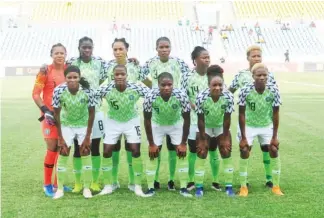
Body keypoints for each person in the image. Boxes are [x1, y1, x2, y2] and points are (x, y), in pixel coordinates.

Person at [140, 37, 190, 190]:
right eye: (161, 47)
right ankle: (154, 180)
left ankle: (171, 180)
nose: (164, 49)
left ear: (170, 48)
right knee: (156, 149)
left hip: (174, 109)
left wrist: (179, 90)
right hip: (158, 111)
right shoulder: (150, 63)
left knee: (174, 148)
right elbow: (141, 75)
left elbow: (188, 75)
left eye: (166, 46)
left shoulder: (178, 62)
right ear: (156, 48)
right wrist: (153, 88)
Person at [95, 65, 149, 197]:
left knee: (135, 150)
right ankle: (109, 185)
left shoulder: (135, 87)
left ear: (126, 75)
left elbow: (151, 94)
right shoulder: (107, 89)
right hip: (113, 121)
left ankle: (136, 185)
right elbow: (93, 96)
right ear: (113, 76)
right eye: (117, 74)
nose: (119, 77)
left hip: (131, 121)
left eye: (122, 74)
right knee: (107, 151)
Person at [229, 45, 277, 188]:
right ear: (247, 58)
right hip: (247, 121)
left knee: (267, 149)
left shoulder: (269, 75)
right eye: (253, 56)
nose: (256, 58)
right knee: (245, 149)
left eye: (259, 56)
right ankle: (245, 181)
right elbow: (230, 90)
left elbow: (274, 95)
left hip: (265, 120)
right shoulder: (241, 75)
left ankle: (269, 179)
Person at [65, 37, 109, 193]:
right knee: (78, 147)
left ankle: (94, 182)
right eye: (84, 47)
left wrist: (131, 59)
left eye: (89, 47)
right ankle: (78, 183)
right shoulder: (72, 62)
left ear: (93, 48)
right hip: (77, 112)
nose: (87, 50)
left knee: (95, 146)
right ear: (79, 47)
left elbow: (106, 75)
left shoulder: (99, 62)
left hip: (95, 110)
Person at [102, 38, 143, 192]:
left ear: (127, 49)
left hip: (131, 115)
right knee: (112, 148)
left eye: (121, 49)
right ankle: (112, 183)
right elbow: (99, 83)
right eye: (115, 49)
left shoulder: (135, 66)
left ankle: (134, 183)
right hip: (113, 115)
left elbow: (148, 82)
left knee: (133, 148)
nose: (118, 52)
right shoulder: (107, 67)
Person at [237, 63, 283, 197]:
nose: (262, 77)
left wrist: (274, 136)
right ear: (253, 76)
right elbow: (241, 114)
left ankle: (276, 186)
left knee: (273, 149)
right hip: (250, 125)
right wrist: (244, 137)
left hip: (266, 125)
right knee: (245, 150)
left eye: (264, 75)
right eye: (259, 75)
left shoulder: (273, 90)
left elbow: (275, 113)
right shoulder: (245, 90)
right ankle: (243, 187)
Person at [143, 72, 192, 197]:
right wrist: (152, 144)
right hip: (157, 125)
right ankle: (150, 188)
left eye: (169, 85)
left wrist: (183, 143)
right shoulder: (150, 96)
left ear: (173, 84)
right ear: (158, 85)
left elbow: (187, 119)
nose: (166, 88)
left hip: (175, 125)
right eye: (163, 85)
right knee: (153, 153)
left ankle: (183, 188)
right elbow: (147, 120)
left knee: (181, 153)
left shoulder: (181, 95)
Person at [32, 43, 71, 197]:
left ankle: (58, 183)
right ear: (51, 55)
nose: (59, 55)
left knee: (63, 150)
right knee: (52, 149)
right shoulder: (44, 71)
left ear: (66, 54)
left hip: (67, 117)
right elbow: (36, 94)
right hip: (50, 118)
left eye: (62, 53)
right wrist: (46, 111)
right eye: (56, 53)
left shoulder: (70, 69)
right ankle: (47, 184)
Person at [52, 65, 96, 199]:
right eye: (69, 77)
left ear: (79, 77)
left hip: (83, 124)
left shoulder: (88, 91)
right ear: (65, 78)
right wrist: (60, 136)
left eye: (75, 77)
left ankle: (87, 188)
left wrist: (88, 136)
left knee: (85, 152)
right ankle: (59, 189)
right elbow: (56, 114)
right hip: (66, 124)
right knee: (64, 152)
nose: (72, 80)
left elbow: (92, 112)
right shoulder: (59, 91)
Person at [195, 65, 235, 197]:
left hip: (220, 125)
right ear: (208, 85)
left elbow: (227, 118)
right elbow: (200, 119)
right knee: (201, 151)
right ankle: (199, 187)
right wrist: (201, 137)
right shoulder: (201, 97)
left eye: (220, 85)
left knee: (225, 150)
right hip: (205, 125)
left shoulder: (228, 96)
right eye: (214, 85)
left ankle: (229, 186)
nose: (217, 88)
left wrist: (224, 135)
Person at [181, 46, 212, 191]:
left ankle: (216, 181)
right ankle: (191, 180)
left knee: (212, 149)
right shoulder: (187, 76)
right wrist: (192, 104)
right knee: (194, 149)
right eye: (203, 57)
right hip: (193, 119)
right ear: (195, 60)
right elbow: (181, 95)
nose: (207, 59)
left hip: (212, 118)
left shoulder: (213, 75)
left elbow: (222, 91)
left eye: (208, 57)